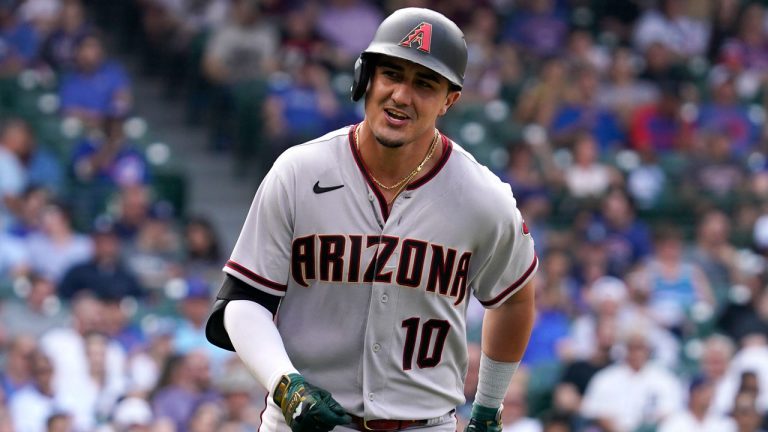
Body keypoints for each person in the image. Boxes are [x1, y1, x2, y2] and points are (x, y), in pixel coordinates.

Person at [205, 7, 538, 432]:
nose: (402, 95)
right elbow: (243, 300)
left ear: (450, 100)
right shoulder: (300, 171)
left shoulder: (482, 197)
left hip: (425, 424)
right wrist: (284, 383)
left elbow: (513, 297)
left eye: (424, 83)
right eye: (392, 74)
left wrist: (489, 405)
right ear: (367, 77)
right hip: (307, 423)